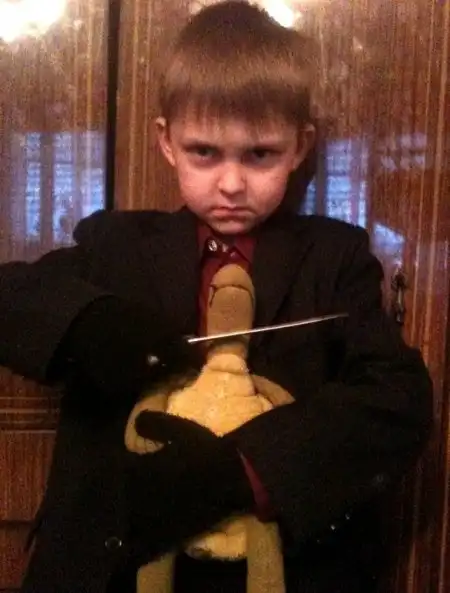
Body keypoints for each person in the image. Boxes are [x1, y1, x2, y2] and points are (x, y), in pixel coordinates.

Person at [0, 2, 432, 592]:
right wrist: (85, 322)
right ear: (167, 142)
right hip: (113, 564)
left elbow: (397, 400)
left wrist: (245, 470)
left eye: (260, 154)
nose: (231, 183)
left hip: (281, 568)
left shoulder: (335, 258)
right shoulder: (114, 245)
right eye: (204, 151)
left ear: (300, 146)